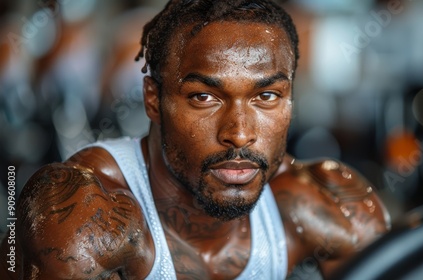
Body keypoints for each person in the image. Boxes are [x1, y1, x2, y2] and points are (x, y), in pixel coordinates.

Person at [0, 0, 390, 279]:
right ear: (153, 99)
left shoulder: (326, 206)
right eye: (204, 97)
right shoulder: (80, 219)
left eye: (266, 97)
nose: (238, 133)